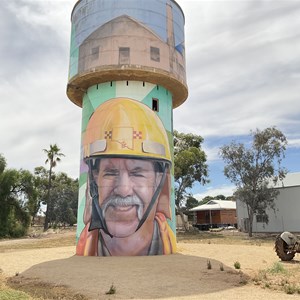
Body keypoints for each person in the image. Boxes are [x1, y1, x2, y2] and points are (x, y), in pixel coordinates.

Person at [76, 98, 176, 256]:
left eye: (137, 173)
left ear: (159, 180)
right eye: (110, 172)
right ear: (94, 179)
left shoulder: (167, 243)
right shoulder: (85, 247)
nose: (123, 190)